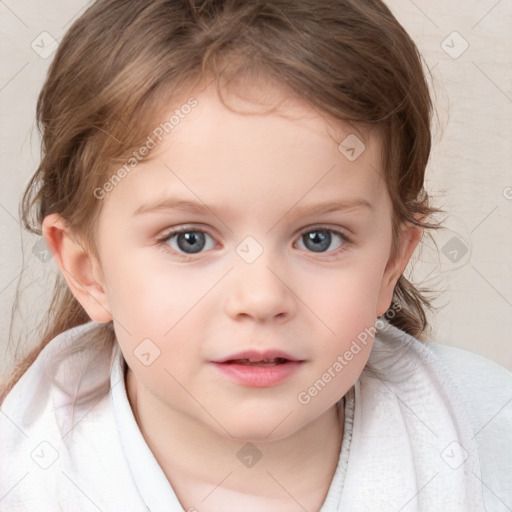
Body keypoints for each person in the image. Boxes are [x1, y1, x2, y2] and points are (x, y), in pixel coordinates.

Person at [1, 0, 510, 510]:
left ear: (391, 263)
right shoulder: (22, 481)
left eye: (319, 238)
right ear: (88, 272)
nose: (262, 298)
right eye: (190, 240)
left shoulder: (492, 435)